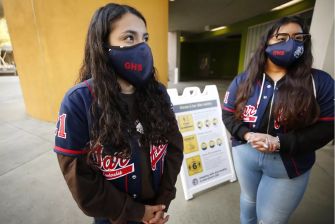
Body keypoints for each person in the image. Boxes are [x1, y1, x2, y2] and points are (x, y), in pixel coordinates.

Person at [54, 3, 183, 224]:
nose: (142, 48)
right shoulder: (79, 101)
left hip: (156, 210)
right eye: (129, 38)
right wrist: (136, 212)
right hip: (112, 217)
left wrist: (162, 201)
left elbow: (173, 148)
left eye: (145, 38)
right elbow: (80, 179)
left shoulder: (158, 93)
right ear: (103, 45)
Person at [222, 16, 334, 224]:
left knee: (271, 219)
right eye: (281, 37)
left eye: (298, 38)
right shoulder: (244, 80)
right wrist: (246, 134)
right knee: (249, 200)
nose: (290, 43)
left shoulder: (320, 82)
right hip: (245, 152)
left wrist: (280, 142)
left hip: (290, 162)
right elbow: (228, 114)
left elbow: (328, 127)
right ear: (266, 43)